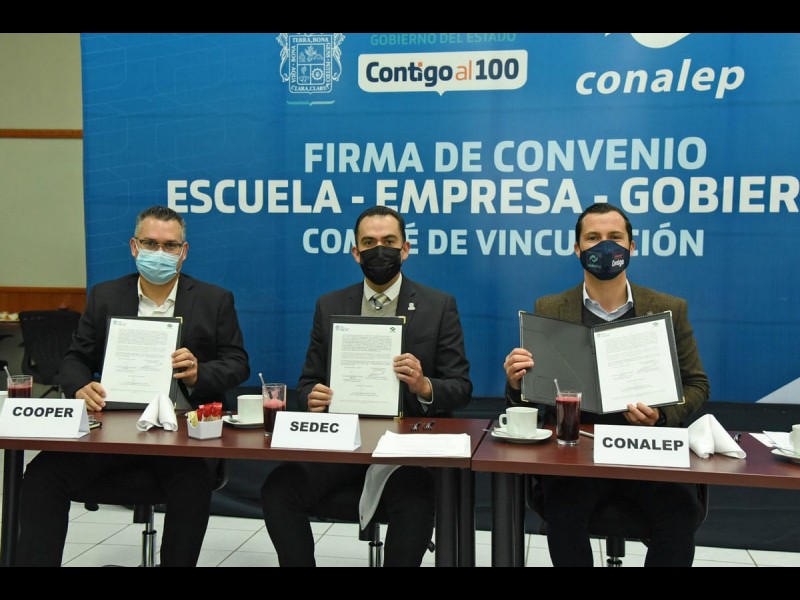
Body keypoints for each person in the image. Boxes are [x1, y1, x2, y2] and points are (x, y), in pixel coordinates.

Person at [15, 205, 250, 567]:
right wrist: (80, 387)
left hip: (180, 437)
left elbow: (237, 363)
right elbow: (75, 359)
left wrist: (198, 373)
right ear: (134, 246)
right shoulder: (106, 296)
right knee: (42, 475)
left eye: (170, 246)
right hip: (112, 431)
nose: (160, 253)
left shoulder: (214, 300)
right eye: (150, 243)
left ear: (184, 251)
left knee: (192, 485)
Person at [261, 205, 472, 567]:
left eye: (389, 241)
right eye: (369, 243)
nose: (380, 250)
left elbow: (461, 387)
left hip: (405, 451)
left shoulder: (439, 306)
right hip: (342, 443)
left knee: (416, 503)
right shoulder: (329, 305)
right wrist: (312, 397)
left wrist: (423, 385)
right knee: (279, 489)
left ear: (405, 249)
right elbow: (307, 382)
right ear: (356, 252)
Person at [503, 202, 710, 567]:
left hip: (646, 449)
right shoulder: (549, 308)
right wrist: (517, 383)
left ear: (632, 246)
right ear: (577, 248)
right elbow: (532, 398)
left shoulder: (669, 308)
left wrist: (662, 415)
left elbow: (696, 384)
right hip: (577, 451)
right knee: (562, 511)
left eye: (614, 237)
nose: (604, 246)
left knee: (679, 512)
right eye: (593, 238)